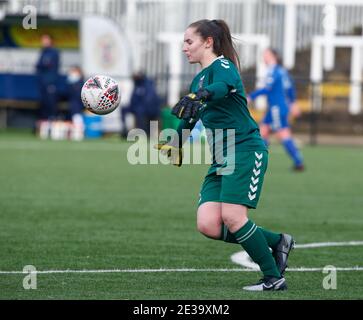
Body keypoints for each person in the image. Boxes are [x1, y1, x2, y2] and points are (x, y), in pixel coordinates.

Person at [155, 19, 295, 291]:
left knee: (233, 217)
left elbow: (223, 88)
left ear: (208, 42)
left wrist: (201, 95)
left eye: (189, 41)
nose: (184, 48)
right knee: (208, 223)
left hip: (244, 150)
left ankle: (273, 277)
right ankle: (278, 242)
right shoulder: (198, 79)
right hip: (221, 158)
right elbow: (192, 117)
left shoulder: (223, 67)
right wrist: (176, 142)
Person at [247, 48, 304, 171]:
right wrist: (293, 103)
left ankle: (299, 162)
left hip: (276, 108)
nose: (263, 58)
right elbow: (290, 88)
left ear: (273, 56)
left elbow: (267, 89)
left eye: (265, 55)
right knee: (263, 131)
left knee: (283, 134)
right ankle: (257, 161)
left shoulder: (273, 71)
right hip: (277, 107)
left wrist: (250, 96)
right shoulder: (282, 71)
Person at [121, 71, 161, 138]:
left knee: (140, 111)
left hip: (148, 109)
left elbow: (148, 100)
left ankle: (142, 132)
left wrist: (138, 107)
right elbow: (133, 99)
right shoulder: (136, 85)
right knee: (123, 109)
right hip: (136, 107)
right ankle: (125, 130)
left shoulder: (147, 85)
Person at [36, 34, 60, 123]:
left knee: (51, 103)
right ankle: (44, 123)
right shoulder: (43, 51)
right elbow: (39, 65)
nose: (43, 42)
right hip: (42, 82)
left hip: (50, 82)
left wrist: (42, 65)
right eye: (43, 40)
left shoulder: (54, 52)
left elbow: (46, 64)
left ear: (50, 40)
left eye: (45, 40)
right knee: (43, 103)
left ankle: (53, 121)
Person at [66, 66, 85, 141]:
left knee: (77, 117)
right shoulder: (71, 83)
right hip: (73, 104)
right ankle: (75, 133)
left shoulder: (80, 83)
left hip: (78, 104)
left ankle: (79, 133)